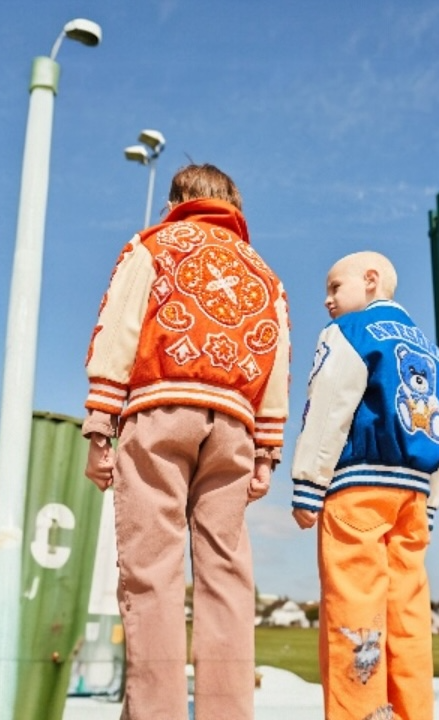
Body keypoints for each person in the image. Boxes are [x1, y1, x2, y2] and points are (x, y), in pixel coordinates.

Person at [82, 163, 291, 720]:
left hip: (160, 410)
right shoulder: (265, 274)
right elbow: (277, 364)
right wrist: (267, 452)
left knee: (152, 571)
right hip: (235, 428)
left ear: (177, 198)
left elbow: (119, 331)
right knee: (226, 575)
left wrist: (100, 427)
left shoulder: (153, 245)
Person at [290, 251, 439, 720]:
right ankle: (413, 712)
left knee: (354, 606)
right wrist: (430, 502)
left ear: (370, 281)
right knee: (408, 612)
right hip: (413, 494)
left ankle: (360, 714)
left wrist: (308, 482)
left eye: (334, 287)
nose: (326, 300)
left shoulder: (350, 333)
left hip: (358, 490)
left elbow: (328, 408)